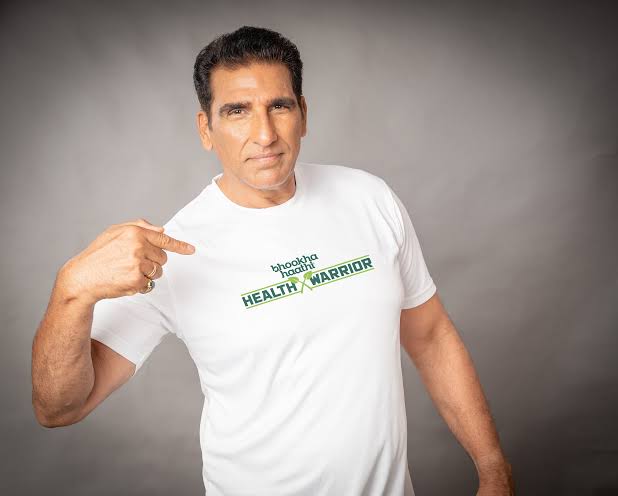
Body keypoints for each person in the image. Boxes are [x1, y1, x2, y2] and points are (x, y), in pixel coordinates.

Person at [31, 25, 514, 496]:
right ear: (206, 129)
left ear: (303, 113)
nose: (264, 134)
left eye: (278, 106)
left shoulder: (369, 198)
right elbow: (59, 409)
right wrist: (72, 291)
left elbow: (430, 336)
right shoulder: (172, 252)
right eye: (237, 111)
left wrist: (493, 468)